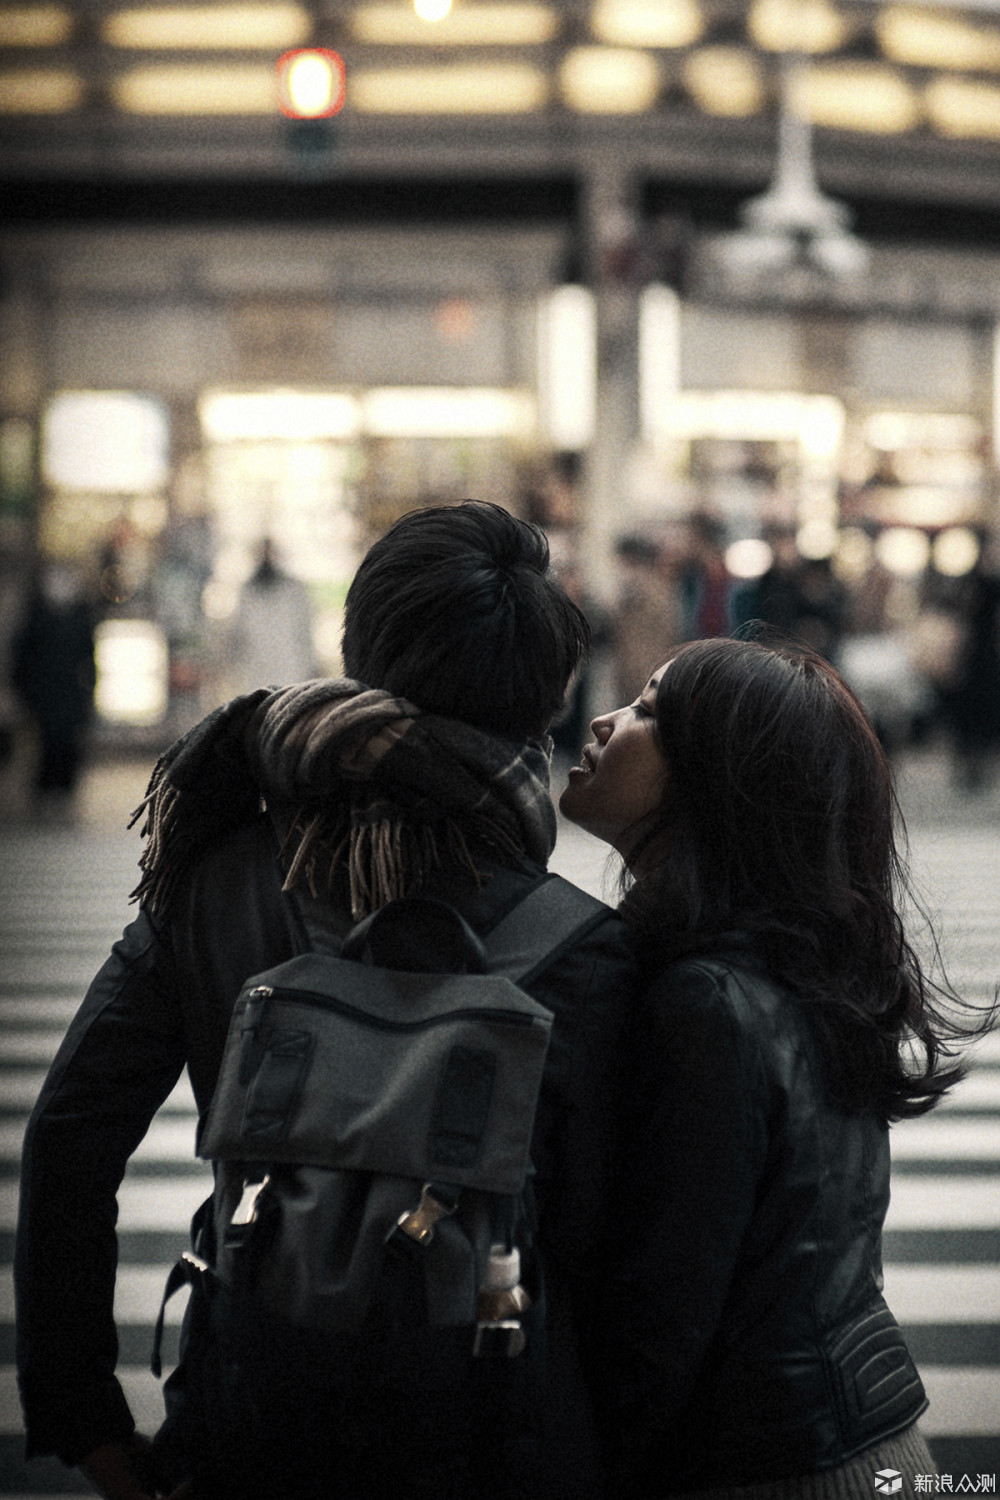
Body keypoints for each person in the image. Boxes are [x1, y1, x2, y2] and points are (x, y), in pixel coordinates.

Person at [15, 501, 636, 1500]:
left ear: (359, 648)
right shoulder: (586, 947)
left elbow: (72, 1137)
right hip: (493, 1443)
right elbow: (619, 1259)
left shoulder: (218, 880)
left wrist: (86, 1420)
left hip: (254, 1411)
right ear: (545, 700)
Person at [559, 635, 992, 1499]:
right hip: (862, 1442)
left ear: (717, 780)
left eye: (647, 712)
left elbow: (660, 1320)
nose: (605, 721)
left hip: (783, 1465)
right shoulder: (797, 965)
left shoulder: (708, 1002)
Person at [11, 561, 96, 818]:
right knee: (46, 743)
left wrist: (89, 689)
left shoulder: (80, 617)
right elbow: (22, 659)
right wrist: (22, 692)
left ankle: (64, 790)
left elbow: (89, 657)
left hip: (71, 693)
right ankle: (45, 791)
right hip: (43, 694)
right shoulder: (36, 617)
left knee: (68, 743)